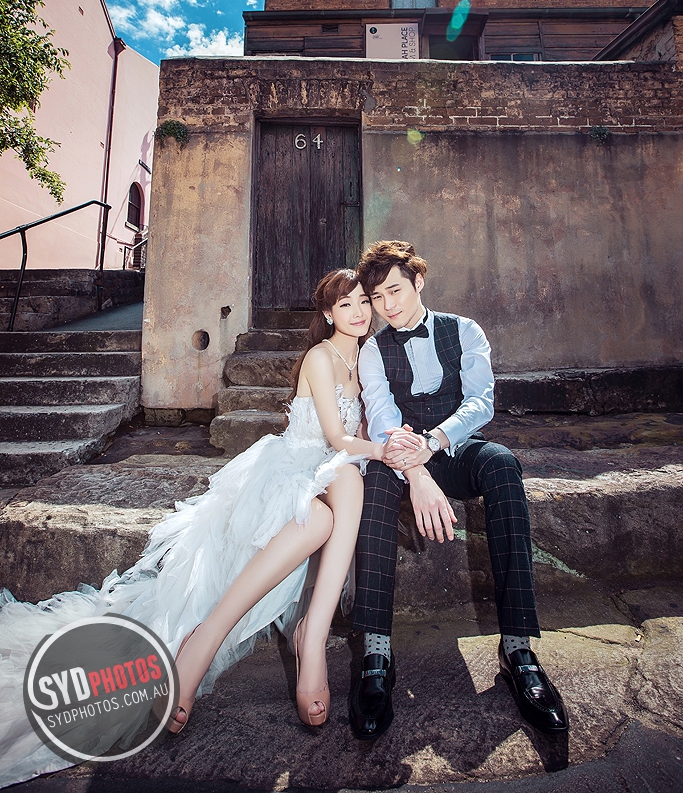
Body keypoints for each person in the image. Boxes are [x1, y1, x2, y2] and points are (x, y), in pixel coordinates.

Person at [0, 268, 383, 788]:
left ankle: (311, 637)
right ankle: (204, 640)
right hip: (292, 467)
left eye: (363, 301)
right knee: (318, 517)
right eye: (346, 304)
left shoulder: (369, 358)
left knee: (350, 485)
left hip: (334, 472)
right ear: (328, 314)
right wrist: (382, 449)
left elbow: (362, 431)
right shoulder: (320, 356)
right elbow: (337, 437)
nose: (358, 312)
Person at [347, 240, 568, 741]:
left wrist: (434, 443)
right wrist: (417, 472)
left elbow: (481, 402)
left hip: (456, 445)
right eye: (377, 297)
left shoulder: (464, 330)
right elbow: (381, 416)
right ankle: (377, 655)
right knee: (375, 480)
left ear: (419, 282)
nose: (388, 306)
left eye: (396, 291)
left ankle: (518, 650)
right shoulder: (373, 350)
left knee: (503, 464)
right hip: (403, 454)